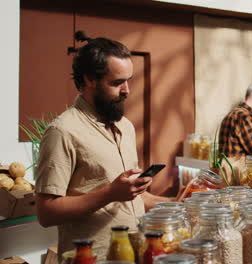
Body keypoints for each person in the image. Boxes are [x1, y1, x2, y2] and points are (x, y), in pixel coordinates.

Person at [35, 37, 173, 261]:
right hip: (92, 258)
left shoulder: (124, 126)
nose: (127, 90)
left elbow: (134, 199)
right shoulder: (62, 131)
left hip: (134, 253)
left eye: (129, 80)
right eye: (117, 83)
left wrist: (180, 202)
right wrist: (109, 193)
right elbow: (46, 212)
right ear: (90, 80)